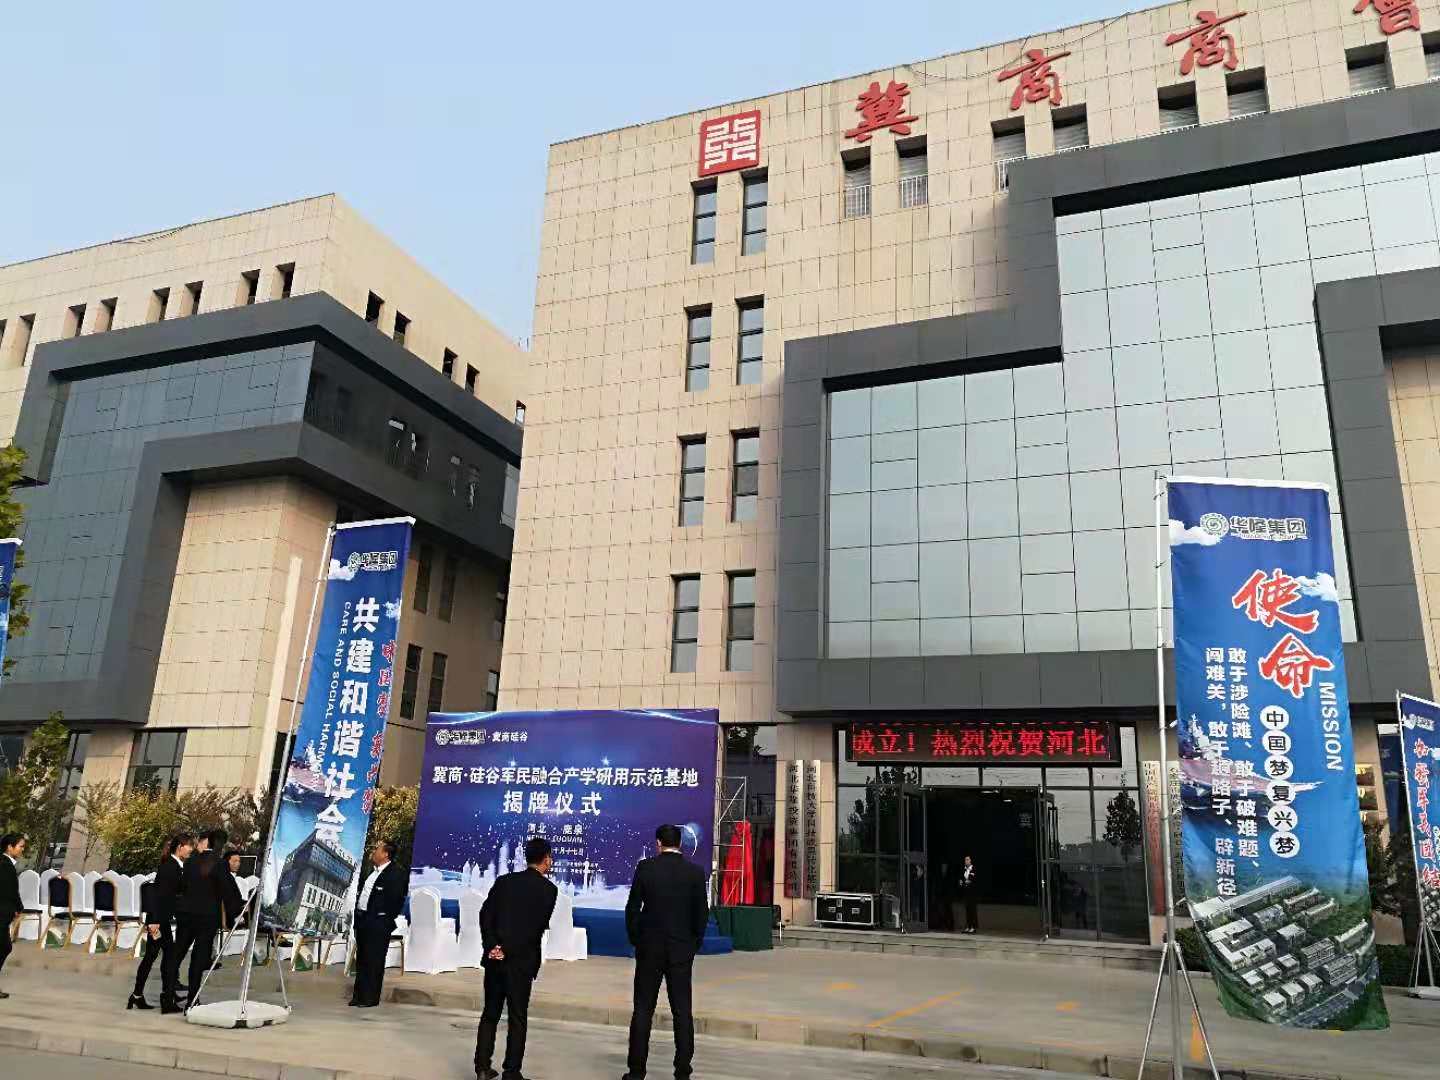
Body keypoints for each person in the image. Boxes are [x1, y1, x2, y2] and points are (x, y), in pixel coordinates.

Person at [623, 824, 709, 1080]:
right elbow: (701, 914)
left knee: (643, 1010)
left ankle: (636, 1071)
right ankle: (682, 1070)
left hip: (649, 949)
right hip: (681, 950)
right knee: (682, 1011)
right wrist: (693, 944)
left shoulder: (646, 868)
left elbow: (632, 908)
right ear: (680, 843)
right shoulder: (695, 872)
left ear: (658, 843)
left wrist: (637, 939)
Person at [474, 837, 557, 1080]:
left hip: (495, 960)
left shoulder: (504, 882)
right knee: (517, 1017)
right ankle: (511, 1072)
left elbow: (485, 916)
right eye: (550, 857)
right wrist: (507, 949)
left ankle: (482, 1068)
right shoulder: (549, 890)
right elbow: (534, 929)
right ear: (545, 859)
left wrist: (493, 947)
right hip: (520, 963)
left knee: (490, 1013)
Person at [173, 828, 242, 1008]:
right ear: (221, 844)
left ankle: (169, 993)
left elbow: (182, 886)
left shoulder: (191, 861)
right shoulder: (219, 864)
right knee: (198, 959)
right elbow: (228, 891)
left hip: (186, 915)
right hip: (207, 917)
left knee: (178, 953)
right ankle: (192, 999)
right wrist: (236, 912)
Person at [130, 831, 195, 1013]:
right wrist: (154, 921)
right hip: (158, 921)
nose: (190, 850)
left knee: (158, 956)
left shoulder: (175, 866)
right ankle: (164, 998)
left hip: (160, 920)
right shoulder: (170, 867)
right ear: (180, 847)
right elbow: (160, 896)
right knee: (162, 957)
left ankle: (143, 995)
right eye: (189, 846)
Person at [350, 839, 406, 1009]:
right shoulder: (372, 871)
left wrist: (383, 918)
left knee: (374, 960)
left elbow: (396, 900)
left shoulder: (395, 873)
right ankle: (358, 996)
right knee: (361, 959)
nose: (374, 852)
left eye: (377, 849)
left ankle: (369, 998)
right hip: (363, 920)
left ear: (386, 854)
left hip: (378, 923)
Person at [0, 832, 27, 1001]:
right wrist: (19, 907)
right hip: (1, 913)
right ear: (10, 847)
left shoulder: (5, 863)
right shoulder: (5, 865)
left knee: (4, 947)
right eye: (20, 846)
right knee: (4, 947)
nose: (22, 849)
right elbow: (10, 890)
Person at [959, 854, 978, 934]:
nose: (966, 861)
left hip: (972, 894)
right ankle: (968, 926)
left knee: (972, 910)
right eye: (965, 860)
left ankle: (973, 927)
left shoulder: (973, 869)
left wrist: (965, 882)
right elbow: (961, 881)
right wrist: (963, 882)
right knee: (967, 910)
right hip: (966, 893)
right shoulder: (964, 870)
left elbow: (970, 881)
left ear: (970, 861)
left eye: (967, 859)